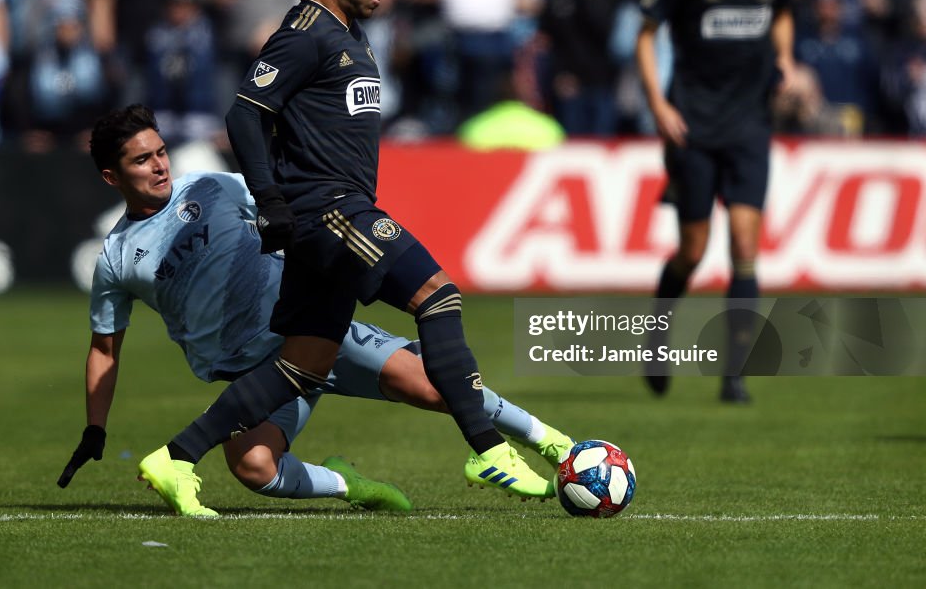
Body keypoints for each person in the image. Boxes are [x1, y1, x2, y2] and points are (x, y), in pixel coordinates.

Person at [135, 0, 556, 515]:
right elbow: (244, 114)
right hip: (328, 210)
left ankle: (175, 457)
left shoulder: (348, 34)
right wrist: (272, 198)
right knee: (437, 297)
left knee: (303, 363)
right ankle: (487, 448)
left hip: (329, 210)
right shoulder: (305, 32)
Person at [58, 105, 573, 517]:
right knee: (255, 469)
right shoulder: (116, 259)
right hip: (253, 375)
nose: (159, 165)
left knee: (438, 387)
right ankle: (350, 485)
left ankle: (554, 445)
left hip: (315, 330)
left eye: (161, 151)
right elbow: (105, 348)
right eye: (142, 160)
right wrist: (95, 428)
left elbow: (289, 207)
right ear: (111, 176)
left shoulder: (213, 187)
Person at [636, 0, 795, 403]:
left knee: (747, 244)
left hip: (750, 125)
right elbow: (645, 35)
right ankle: (658, 331)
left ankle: (735, 375)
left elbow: (782, 15)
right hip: (694, 128)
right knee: (693, 250)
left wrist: (787, 61)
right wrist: (659, 104)